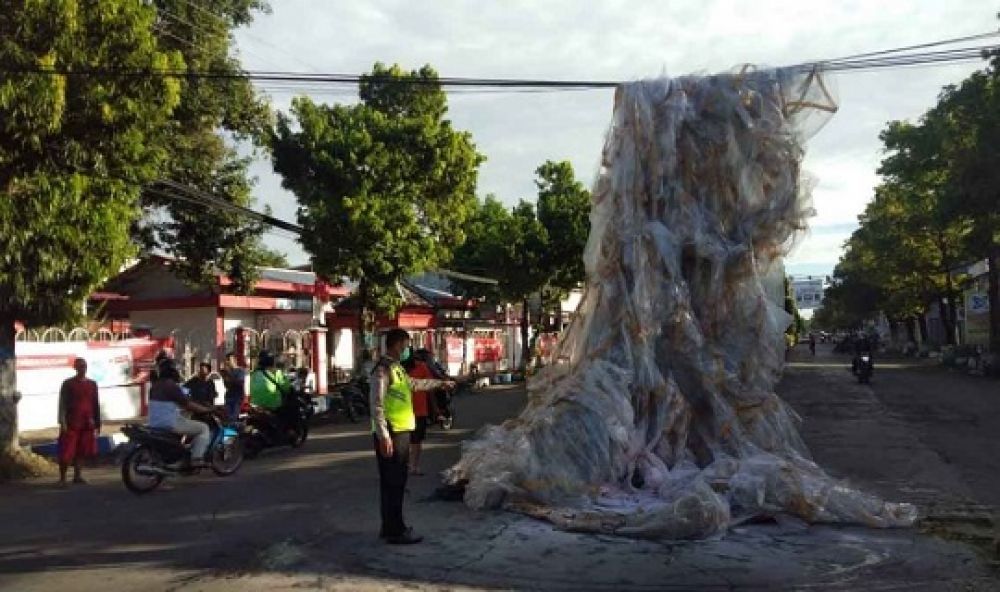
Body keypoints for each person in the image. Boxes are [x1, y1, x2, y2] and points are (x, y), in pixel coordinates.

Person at [370, 329, 454, 544]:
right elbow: (376, 404)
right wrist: (383, 435)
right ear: (397, 344)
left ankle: (391, 527)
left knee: (396, 483)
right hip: (392, 433)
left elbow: (414, 384)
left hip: (401, 432)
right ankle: (395, 531)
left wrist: (440, 383)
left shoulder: (397, 368)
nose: (407, 349)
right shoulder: (383, 369)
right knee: (393, 483)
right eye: (406, 345)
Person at [148, 357, 216, 468]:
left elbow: (171, 403)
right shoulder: (170, 385)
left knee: (185, 422)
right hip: (169, 423)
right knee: (203, 428)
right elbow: (188, 404)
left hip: (154, 423)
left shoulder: (154, 386)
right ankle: (196, 458)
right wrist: (206, 410)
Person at [57, 358, 101, 487]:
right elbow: (62, 404)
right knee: (66, 451)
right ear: (75, 368)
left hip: (87, 422)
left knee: (82, 450)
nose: (83, 368)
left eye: (84, 366)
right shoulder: (68, 383)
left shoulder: (92, 384)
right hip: (71, 421)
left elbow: (95, 404)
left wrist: (98, 423)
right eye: (80, 366)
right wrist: (62, 421)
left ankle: (78, 475)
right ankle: (62, 478)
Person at [402, 350, 437, 477]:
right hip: (411, 411)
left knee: (410, 440)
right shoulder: (420, 367)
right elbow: (430, 387)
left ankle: (410, 466)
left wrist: (434, 407)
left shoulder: (402, 369)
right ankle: (412, 466)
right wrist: (435, 408)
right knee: (414, 441)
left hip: (410, 411)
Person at [220, 352, 247, 419]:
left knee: (234, 417)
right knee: (228, 417)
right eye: (226, 360)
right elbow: (227, 386)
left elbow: (239, 383)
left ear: (234, 360)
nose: (227, 361)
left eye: (229, 359)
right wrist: (224, 376)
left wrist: (228, 374)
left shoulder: (240, 370)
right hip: (228, 397)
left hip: (237, 398)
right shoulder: (227, 371)